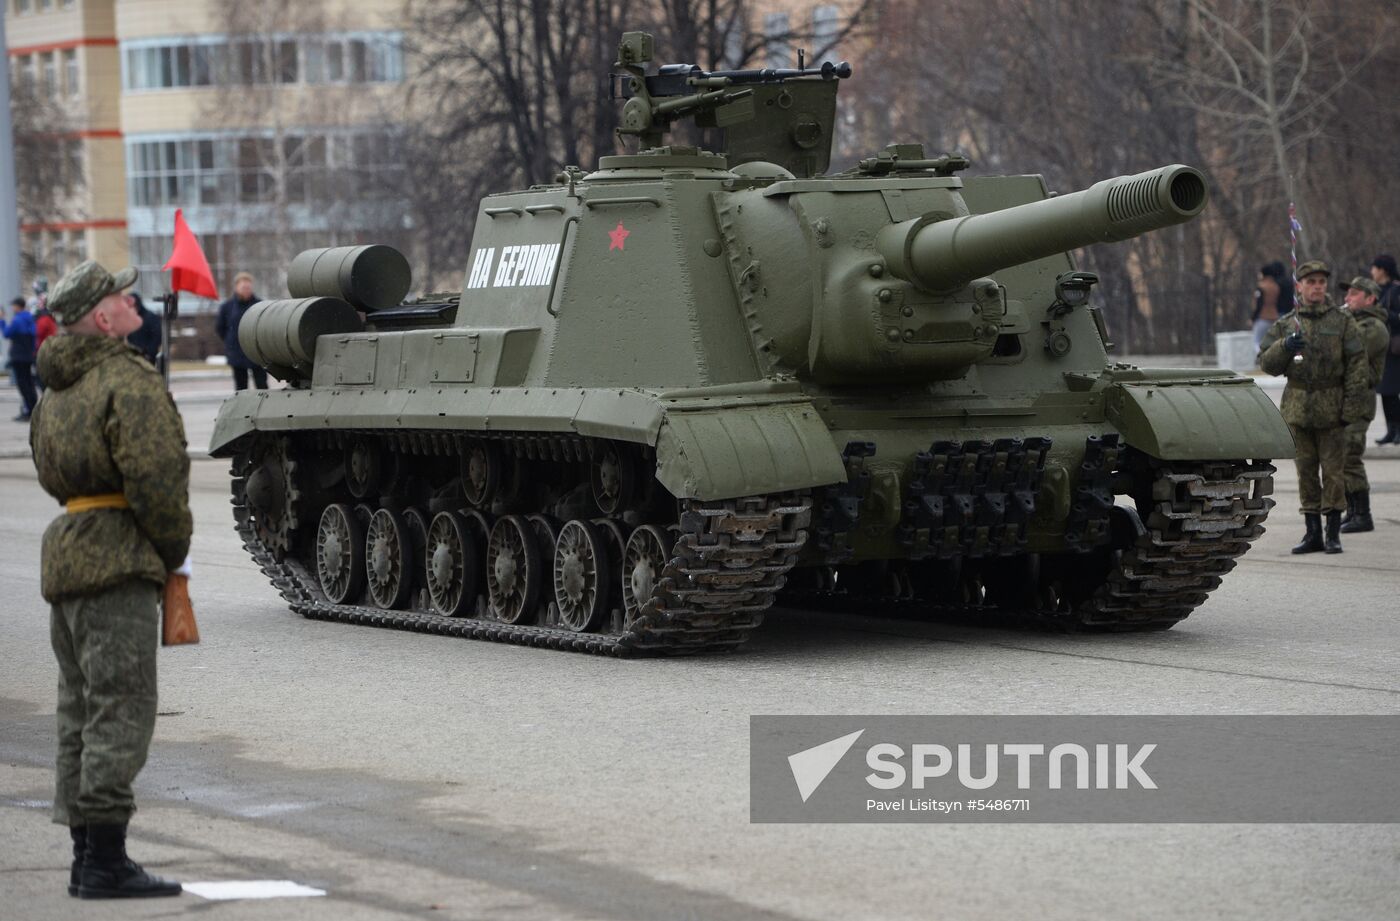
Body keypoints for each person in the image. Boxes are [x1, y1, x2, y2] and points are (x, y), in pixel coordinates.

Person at [29, 259, 192, 900]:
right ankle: (106, 861)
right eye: (123, 297)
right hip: (120, 556)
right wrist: (173, 548)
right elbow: (156, 479)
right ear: (103, 317)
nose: (133, 302)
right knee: (121, 708)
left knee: (79, 710)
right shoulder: (126, 378)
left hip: (68, 552)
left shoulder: (56, 390)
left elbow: (50, 475)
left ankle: (83, 855)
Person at [1258, 260, 1370, 554]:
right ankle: (1313, 533)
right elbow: (1266, 365)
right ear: (1299, 287)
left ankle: (1333, 533)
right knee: (1305, 474)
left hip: (1332, 409)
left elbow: (1358, 366)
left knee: (1333, 474)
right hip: (1298, 409)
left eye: (1321, 282)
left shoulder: (1342, 322)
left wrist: (1352, 408)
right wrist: (1285, 346)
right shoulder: (1287, 324)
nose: (1317, 287)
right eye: (1311, 282)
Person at [1336, 276, 1388, 533]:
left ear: (1370, 299)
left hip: (1360, 399)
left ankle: (1363, 514)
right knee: (1341, 456)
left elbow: (1348, 350)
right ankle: (1352, 510)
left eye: (1355, 294)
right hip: (1343, 398)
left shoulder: (1374, 327)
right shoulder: (1352, 322)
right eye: (1348, 294)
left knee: (1350, 455)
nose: (1347, 298)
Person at [216, 272, 266, 390]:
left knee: (262, 386)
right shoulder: (227, 307)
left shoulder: (260, 305)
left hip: (256, 352)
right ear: (237, 287)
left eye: (248, 287)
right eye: (243, 287)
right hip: (237, 352)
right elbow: (220, 328)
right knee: (240, 387)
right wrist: (230, 341)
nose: (246, 290)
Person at [1373, 254, 1400, 445]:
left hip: (1395, 348)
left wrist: (1383, 313)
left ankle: (1398, 429)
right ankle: (1391, 430)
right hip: (1381, 347)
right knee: (1385, 391)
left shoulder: (1396, 290)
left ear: (1383, 270)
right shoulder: (1376, 290)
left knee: (1392, 390)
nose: (1372, 271)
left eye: (1374, 267)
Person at [2, 295, 40, 420]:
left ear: (18, 306)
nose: (12, 308)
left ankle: (28, 410)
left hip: (19, 356)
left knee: (23, 384)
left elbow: (7, 333)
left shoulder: (17, 320)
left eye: (13, 305)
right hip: (28, 355)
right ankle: (33, 409)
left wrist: (1, 321)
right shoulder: (30, 319)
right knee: (29, 383)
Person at [1252, 261, 1294, 349]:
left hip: (1264, 317)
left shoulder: (1263, 286)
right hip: (1278, 316)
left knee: (1257, 341)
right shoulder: (1278, 285)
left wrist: (1253, 317)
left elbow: (1259, 304)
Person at [125, 292, 163, 367]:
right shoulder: (128, 319)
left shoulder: (151, 318)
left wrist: (148, 353)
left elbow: (156, 337)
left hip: (147, 357)